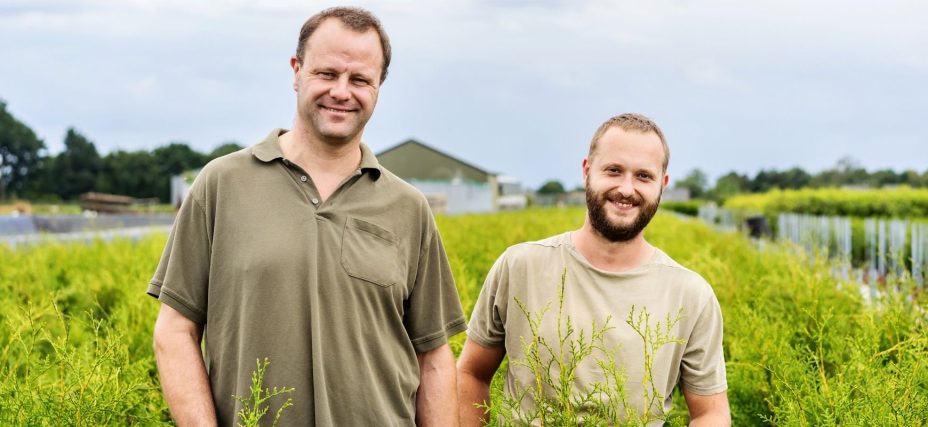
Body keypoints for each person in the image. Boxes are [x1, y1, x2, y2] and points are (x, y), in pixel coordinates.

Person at [148, 7, 465, 426]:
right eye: (327, 73)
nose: (341, 91)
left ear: (379, 86)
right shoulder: (222, 184)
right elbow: (174, 332)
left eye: (360, 80)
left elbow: (434, 357)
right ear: (296, 71)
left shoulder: (408, 207)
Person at [457, 113, 730, 426]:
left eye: (643, 176)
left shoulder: (690, 294)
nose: (626, 189)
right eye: (614, 170)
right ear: (587, 171)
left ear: (662, 186)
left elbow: (710, 412)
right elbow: (471, 374)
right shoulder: (520, 267)